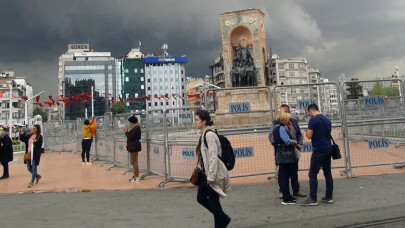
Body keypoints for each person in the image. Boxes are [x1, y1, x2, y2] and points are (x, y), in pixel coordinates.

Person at [195, 109, 231, 228]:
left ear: (204, 121)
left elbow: (213, 157)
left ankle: (222, 221)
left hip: (212, 174)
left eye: (197, 120)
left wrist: (210, 176)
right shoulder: (204, 134)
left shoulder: (209, 135)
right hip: (206, 173)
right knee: (202, 198)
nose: (195, 122)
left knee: (213, 201)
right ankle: (223, 218)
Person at [268, 104, 306, 199]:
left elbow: (299, 134)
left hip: (293, 151)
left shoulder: (293, 122)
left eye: (284, 112)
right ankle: (283, 192)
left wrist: (299, 143)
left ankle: (296, 190)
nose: (282, 114)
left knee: (294, 172)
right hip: (283, 152)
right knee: (283, 173)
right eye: (281, 111)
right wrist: (278, 145)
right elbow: (271, 136)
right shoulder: (276, 123)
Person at [301, 103, 334, 206]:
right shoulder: (326, 119)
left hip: (319, 150)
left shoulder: (313, 120)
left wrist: (306, 131)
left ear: (311, 111)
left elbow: (309, 136)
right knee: (327, 173)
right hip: (328, 148)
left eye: (309, 113)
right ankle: (329, 197)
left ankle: (313, 198)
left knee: (312, 174)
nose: (309, 115)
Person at [271, 111, 300, 205]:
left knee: (284, 176)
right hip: (285, 155)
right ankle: (286, 198)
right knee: (284, 177)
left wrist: (290, 129)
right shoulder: (281, 128)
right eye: (287, 118)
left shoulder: (276, 128)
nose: (288, 120)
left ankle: (287, 195)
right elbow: (287, 141)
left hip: (280, 154)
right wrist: (295, 142)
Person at [123, 115, 141, 182]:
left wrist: (126, 131)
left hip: (134, 147)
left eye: (130, 122)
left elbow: (130, 137)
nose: (129, 123)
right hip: (133, 146)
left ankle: (136, 176)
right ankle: (135, 175)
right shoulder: (135, 128)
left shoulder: (136, 128)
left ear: (132, 122)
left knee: (134, 161)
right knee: (133, 161)